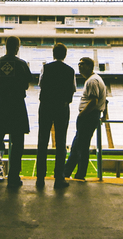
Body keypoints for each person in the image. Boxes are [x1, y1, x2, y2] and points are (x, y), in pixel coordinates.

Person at [0, 36, 34, 188]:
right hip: (16, 106)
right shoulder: (22, 64)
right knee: (17, 143)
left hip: (1, 106)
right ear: (17, 47)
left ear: (6, 46)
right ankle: (14, 178)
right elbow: (26, 84)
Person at [35, 43, 76, 188]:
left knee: (42, 141)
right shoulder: (70, 71)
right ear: (64, 55)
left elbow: (41, 84)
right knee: (61, 142)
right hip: (62, 107)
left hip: (46, 106)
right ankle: (59, 178)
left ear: (53, 54)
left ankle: (40, 178)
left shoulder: (46, 68)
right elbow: (72, 89)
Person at [62, 57, 107, 181]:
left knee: (80, 146)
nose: (79, 66)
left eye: (82, 64)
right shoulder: (95, 79)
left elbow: (94, 101)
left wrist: (82, 114)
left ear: (89, 66)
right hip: (91, 115)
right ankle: (71, 172)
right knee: (79, 145)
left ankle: (75, 173)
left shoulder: (92, 81)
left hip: (88, 116)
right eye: (78, 64)